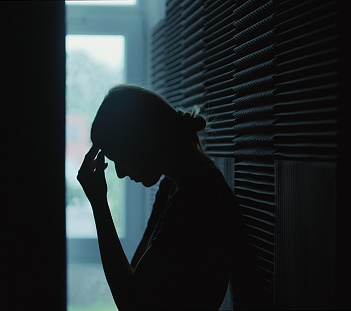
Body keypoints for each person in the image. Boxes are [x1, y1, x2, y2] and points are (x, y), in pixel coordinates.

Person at [77, 84, 245, 310]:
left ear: (139, 142)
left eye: (119, 158)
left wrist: (99, 204)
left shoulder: (199, 200)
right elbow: (135, 277)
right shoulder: (172, 188)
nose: (119, 172)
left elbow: (132, 303)